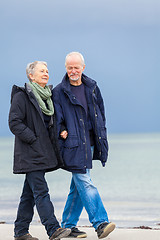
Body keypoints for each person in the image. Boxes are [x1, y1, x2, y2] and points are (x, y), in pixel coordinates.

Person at [52, 52, 116, 239]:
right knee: (85, 182)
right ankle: (100, 223)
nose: (73, 71)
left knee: (78, 185)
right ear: (66, 68)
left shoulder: (92, 87)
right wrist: (61, 129)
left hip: (90, 143)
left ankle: (68, 226)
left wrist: (101, 137)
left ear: (83, 68)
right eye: (70, 67)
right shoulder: (59, 91)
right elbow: (56, 118)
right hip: (72, 144)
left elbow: (100, 114)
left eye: (76, 67)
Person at [8, 61, 71, 240]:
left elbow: (51, 123)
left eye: (47, 71)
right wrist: (33, 139)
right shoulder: (22, 96)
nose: (46, 73)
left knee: (28, 195)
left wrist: (61, 131)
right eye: (42, 71)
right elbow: (14, 123)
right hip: (30, 152)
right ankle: (53, 229)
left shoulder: (47, 97)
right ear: (31, 75)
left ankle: (20, 231)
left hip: (42, 152)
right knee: (41, 191)